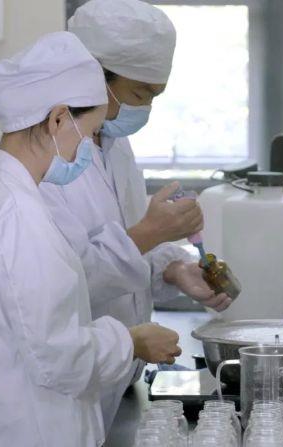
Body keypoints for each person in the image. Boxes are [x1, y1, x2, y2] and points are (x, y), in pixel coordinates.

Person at [0, 32, 181, 447]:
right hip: (26, 429)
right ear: (59, 120)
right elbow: (57, 357)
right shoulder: (18, 215)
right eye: (91, 132)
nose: (89, 151)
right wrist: (131, 341)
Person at [39, 0, 234, 430]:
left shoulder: (113, 144)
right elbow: (61, 284)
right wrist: (150, 234)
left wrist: (172, 269)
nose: (144, 109)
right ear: (94, 76)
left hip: (117, 375)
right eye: (141, 94)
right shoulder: (45, 160)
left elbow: (125, 241)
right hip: (67, 388)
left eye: (154, 96)